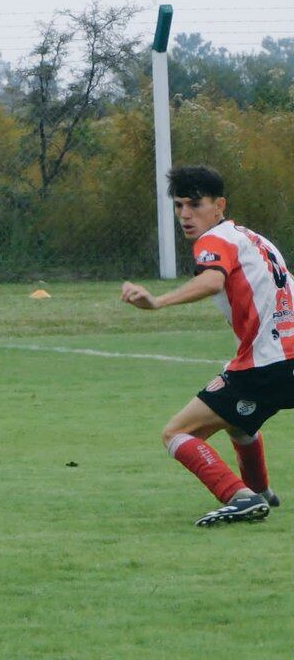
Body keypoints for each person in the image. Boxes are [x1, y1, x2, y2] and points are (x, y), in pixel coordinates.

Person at [122, 165, 290, 526]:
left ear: (219, 205)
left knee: (176, 432)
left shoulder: (214, 241)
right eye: (179, 205)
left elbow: (213, 282)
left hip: (269, 365)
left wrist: (158, 302)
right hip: (282, 360)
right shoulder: (254, 239)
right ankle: (259, 491)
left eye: (195, 205)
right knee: (238, 420)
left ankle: (240, 497)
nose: (185, 214)